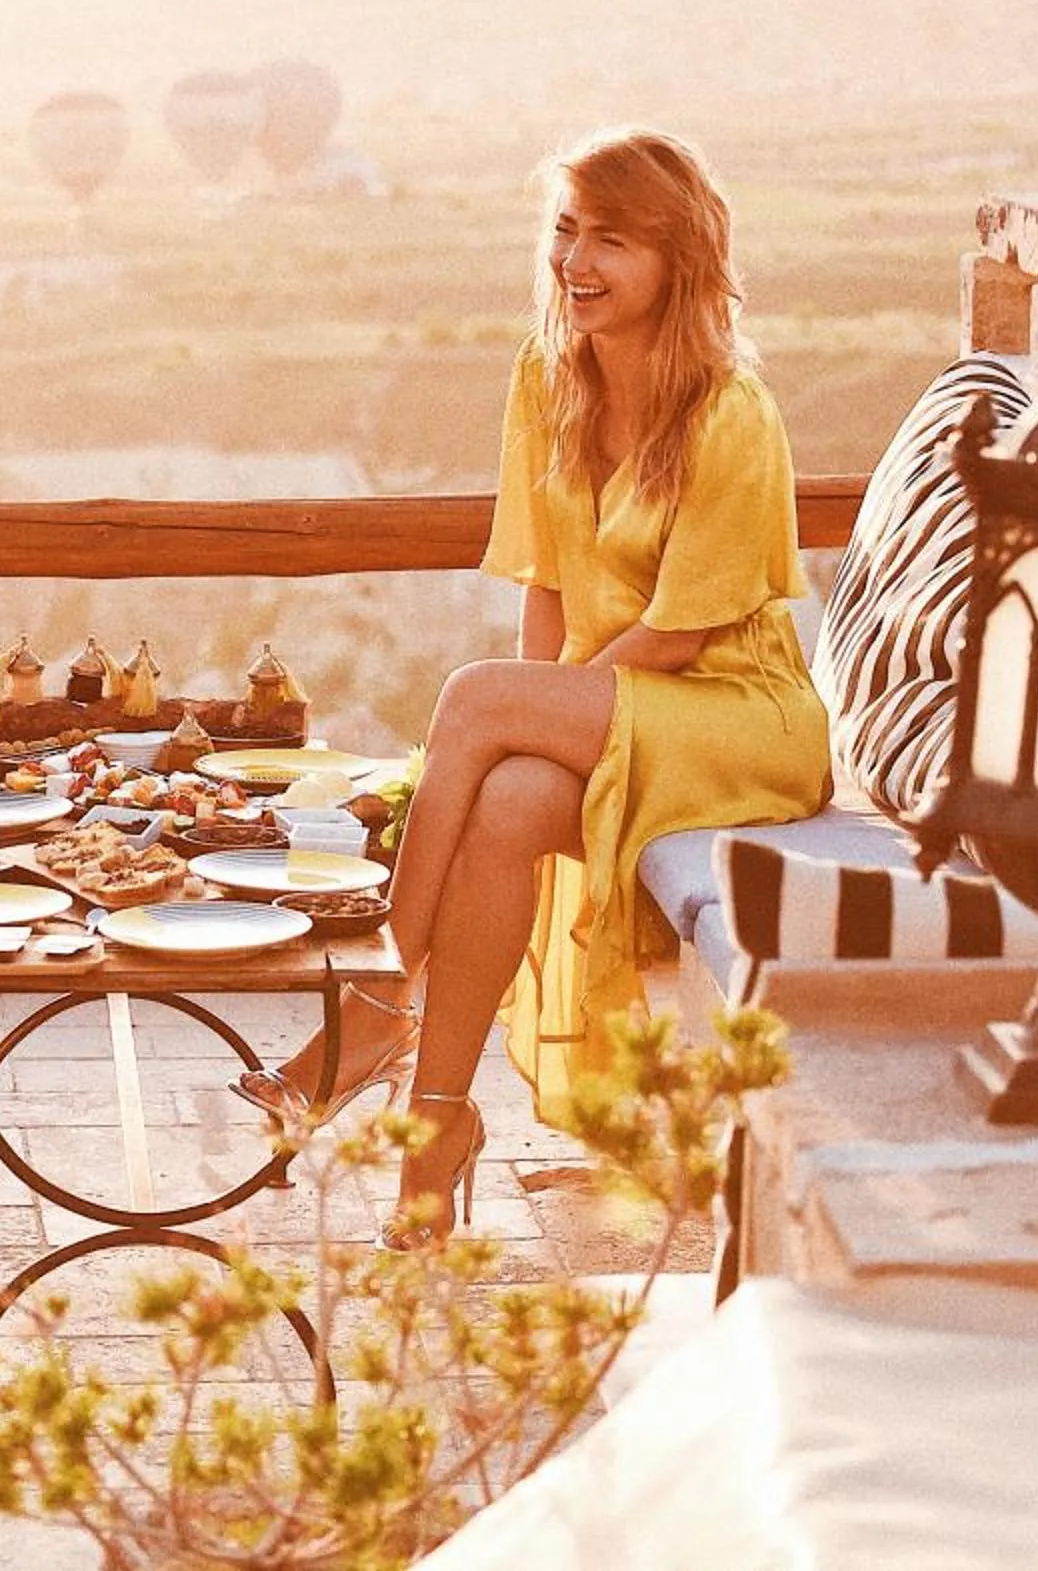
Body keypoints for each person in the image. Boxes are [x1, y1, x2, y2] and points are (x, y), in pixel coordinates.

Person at [236, 129, 831, 1244]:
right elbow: (547, 588)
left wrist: (534, 714)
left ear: (679, 260)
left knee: (477, 698)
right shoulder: (545, 375)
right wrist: (538, 724)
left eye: (613, 240)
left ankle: (376, 1004)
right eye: (566, 230)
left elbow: (679, 633)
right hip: (624, 704)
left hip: (741, 719)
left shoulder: (730, 410)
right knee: (507, 796)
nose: (577, 261)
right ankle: (436, 1126)